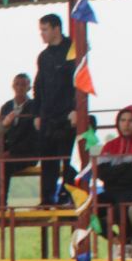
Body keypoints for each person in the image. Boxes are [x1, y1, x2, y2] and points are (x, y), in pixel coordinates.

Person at [32, 13, 77, 207]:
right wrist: (36, 114)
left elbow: (80, 82)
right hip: (47, 116)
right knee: (48, 161)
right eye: (41, 30)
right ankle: (46, 197)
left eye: (45, 29)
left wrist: (77, 109)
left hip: (68, 115)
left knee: (68, 158)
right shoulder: (43, 56)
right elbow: (38, 86)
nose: (42, 34)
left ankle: (67, 195)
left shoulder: (74, 49)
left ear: (56, 29)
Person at [94, 105, 132, 258]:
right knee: (87, 209)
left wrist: (116, 172)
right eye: (123, 120)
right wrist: (127, 166)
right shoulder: (109, 146)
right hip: (110, 191)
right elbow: (101, 173)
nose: (126, 124)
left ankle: (128, 245)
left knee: (124, 207)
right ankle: (117, 242)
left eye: (131, 120)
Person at [0, 73, 40, 197]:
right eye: (17, 84)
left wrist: (11, 152)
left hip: (28, 153)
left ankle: (0, 200)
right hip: (8, 152)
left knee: (4, 164)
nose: (20, 87)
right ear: (13, 86)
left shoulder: (34, 107)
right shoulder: (6, 107)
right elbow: (0, 132)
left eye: (23, 84)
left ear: (29, 88)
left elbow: (34, 137)